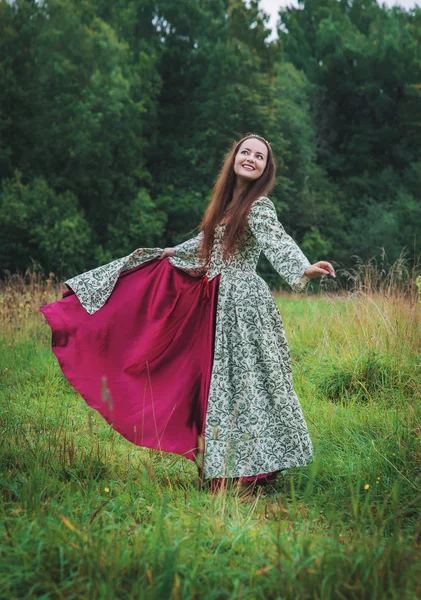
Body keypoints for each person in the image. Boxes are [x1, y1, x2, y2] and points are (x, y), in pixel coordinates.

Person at [40, 133, 335, 498]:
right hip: (215, 300)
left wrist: (304, 268)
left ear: (265, 169)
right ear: (234, 159)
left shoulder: (259, 206)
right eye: (245, 152)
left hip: (241, 304)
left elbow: (277, 240)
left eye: (259, 156)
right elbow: (206, 244)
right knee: (216, 385)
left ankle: (246, 472)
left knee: (244, 384)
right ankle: (225, 467)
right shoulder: (225, 204)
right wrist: (169, 252)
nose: (251, 158)